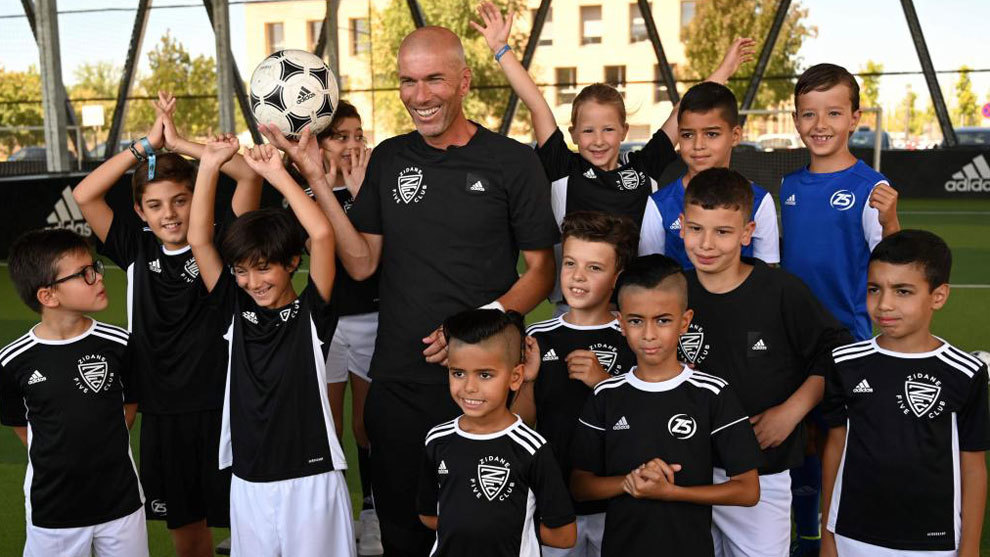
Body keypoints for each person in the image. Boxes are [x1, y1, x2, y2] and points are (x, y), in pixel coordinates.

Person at [260, 25, 559, 557]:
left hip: (484, 387)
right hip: (397, 384)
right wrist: (315, 176)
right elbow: (361, 263)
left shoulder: (512, 162)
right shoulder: (391, 158)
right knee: (404, 534)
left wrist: (474, 328)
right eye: (407, 81)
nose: (420, 96)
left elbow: (541, 272)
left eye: (434, 79)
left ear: (465, 81)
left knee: (484, 536)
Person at [71, 92, 261, 557]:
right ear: (140, 212)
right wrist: (146, 148)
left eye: (180, 200)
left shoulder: (220, 240)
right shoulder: (134, 246)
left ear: (198, 199)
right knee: (187, 529)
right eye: (155, 206)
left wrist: (183, 144)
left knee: (248, 523)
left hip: (223, 402)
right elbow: (84, 195)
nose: (170, 214)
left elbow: (249, 175)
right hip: (161, 408)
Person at [472, 2, 754, 313]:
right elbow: (536, 103)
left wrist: (724, 70)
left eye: (608, 129)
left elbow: (682, 112)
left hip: (634, 308)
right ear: (573, 134)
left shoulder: (643, 167)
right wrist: (501, 49)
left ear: (624, 131)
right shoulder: (564, 167)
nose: (598, 140)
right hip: (574, 307)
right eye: (588, 131)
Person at [187, 137, 354, 557]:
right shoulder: (233, 310)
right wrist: (208, 165)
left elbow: (321, 234)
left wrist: (278, 174)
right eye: (241, 271)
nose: (252, 282)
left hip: (311, 478)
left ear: (292, 263)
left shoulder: (312, 314)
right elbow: (199, 241)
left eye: (263, 269)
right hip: (250, 480)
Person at [676, 168, 852, 557]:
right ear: (682, 226)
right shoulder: (672, 290)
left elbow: (835, 352)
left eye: (723, 231)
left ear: (747, 232)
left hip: (762, 470)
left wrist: (793, 411)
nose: (706, 244)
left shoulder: (781, 291)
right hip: (685, 470)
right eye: (696, 229)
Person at [779, 63, 900, 556]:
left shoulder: (870, 186)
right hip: (791, 339)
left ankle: (834, 536)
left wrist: (891, 220)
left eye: (833, 112)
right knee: (801, 441)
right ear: (796, 120)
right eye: (809, 113)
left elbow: (893, 260)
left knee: (838, 438)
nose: (820, 124)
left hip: (845, 339)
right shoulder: (788, 185)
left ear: (855, 118)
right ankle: (807, 530)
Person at [570, 254, 762, 557]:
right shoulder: (606, 394)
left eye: (662, 320)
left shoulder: (712, 393)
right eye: (636, 321)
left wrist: (672, 492)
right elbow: (580, 486)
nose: (649, 334)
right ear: (621, 323)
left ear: (684, 321)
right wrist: (630, 482)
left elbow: (748, 490)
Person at [821, 230, 989, 557]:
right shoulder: (845, 362)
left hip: (933, 542)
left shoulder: (965, 372)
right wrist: (829, 534)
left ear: (938, 297)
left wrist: (969, 547)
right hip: (854, 534)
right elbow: (835, 447)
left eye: (903, 291)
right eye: (874, 289)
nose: (884, 304)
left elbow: (973, 466)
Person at [0, 228, 147, 557]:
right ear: (48, 296)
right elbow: (21, 425)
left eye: (94, 267)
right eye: (84, 274)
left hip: (121, 501)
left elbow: (129, 407)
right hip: (53, 508)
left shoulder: (120, 344)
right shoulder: (12, 361)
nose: (98, 277)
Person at [511, 211, 637, 556]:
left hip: (617, 498)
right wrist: (527, 381)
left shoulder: (633, 336)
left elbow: (646, 417)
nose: (578, 277)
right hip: (555, 501)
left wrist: (603, 382)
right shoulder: (538, 336)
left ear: (616, 278)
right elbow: (521, 425)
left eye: (594, 267)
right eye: (570, 264)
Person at [417, 309, 577, 556]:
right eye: (458, 373)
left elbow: (564, 536)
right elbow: (429, 515)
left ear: (515, 377)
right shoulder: (437, 440)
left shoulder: (532, 448)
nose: (469, 387)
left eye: (485, 375)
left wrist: (504, 531)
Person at [314, 100, 382, 556]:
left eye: (358, 135)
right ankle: (333, 514)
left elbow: (374, 256)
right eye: (340, 136)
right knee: (327, 427)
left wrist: (361, 196)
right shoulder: (305, 189)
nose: (352, 144)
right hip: (325, 323)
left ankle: (372, 512)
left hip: (373, 319)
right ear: (320, 142)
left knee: (366, 425)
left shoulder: (374, 188)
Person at [639, 82, 779, 269]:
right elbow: (649, 275)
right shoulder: (660, 204)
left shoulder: (759, 200)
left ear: (735, 135)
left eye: (711, 134)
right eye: (688, 135)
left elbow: (766, 273)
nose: (698, 145)